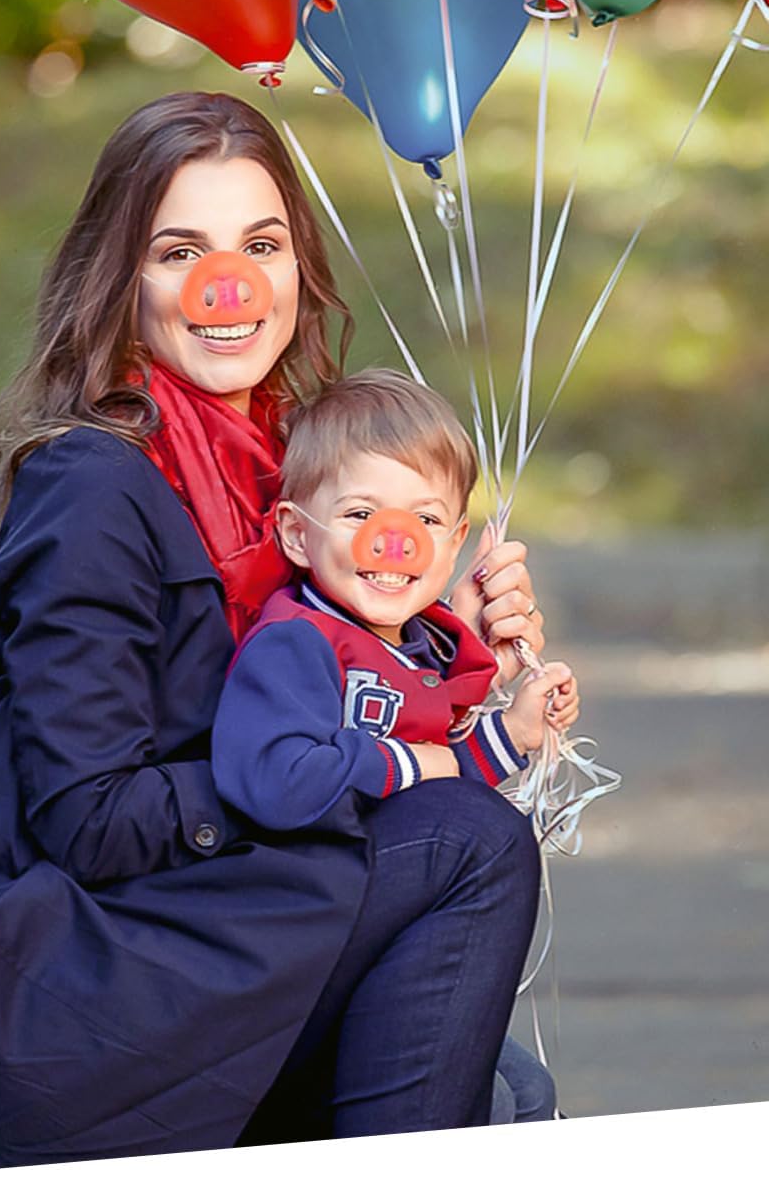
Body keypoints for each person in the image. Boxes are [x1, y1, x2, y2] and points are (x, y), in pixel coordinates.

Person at [0, 91, 552, 1176]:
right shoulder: (96, 486)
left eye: (261, 246)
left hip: (179, 930)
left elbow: (325, 690)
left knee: (497, 1057)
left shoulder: (296, 476)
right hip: (51, 992)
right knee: (465, 840)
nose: (231, 286)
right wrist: (320, 770)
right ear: (121, 282)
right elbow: (92, 820)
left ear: (297, 268)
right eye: (180, 252)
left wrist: (437, 644)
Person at [212, 369, 578, 1137]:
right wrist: (410, 764)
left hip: (368, 915)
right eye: (359, 513)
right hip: (291, 934)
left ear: (454, 543)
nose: (394, 539)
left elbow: (441, 777)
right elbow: (277, 777)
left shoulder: (409, 647)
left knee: (526, 1090)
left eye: (426, 518)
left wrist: (514, 732)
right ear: (295, 534)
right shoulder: (297, 643)